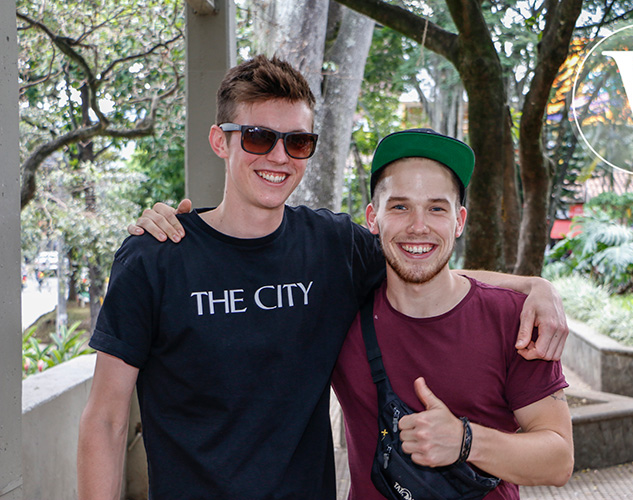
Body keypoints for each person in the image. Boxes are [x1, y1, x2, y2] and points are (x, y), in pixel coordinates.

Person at [79, 55, 567, 500]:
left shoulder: (334, 246)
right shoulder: (156, 256)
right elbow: (105, 420)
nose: (278, 157)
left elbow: (419, 259)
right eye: (257, 137)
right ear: (219, 141)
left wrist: (533, 286)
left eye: (297, 142)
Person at [331, 129, 574, 499]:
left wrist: (466, 441)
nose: (418, 226)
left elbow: (558, 459)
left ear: (459, 221)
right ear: (372, 218)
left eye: (436, 208)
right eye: (399, 206)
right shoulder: (340, 315)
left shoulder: (512, 319)